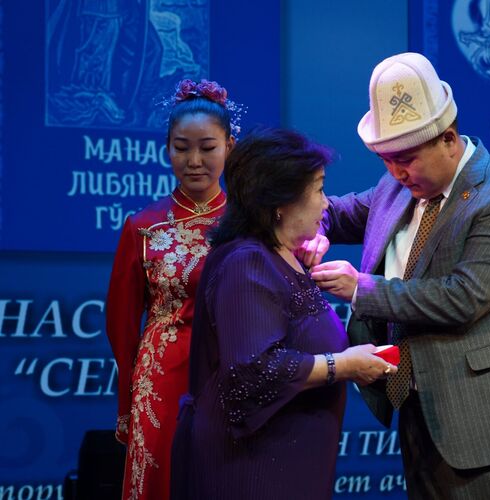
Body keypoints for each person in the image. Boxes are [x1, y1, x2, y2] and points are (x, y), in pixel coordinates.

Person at [310, 52, 490, 498]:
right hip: (421, 412)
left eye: (407, 158)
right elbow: (337, 213)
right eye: (386, 159)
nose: (396, 172)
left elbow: (462, 298)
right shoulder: (396, 187)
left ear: (449, 139)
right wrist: (312, 230)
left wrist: (361, 288)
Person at [169, 128, 395, 500]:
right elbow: (254, 370)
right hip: (250, 468)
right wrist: (344, 365)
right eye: (319, 190)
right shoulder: (246, 263)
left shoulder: (285, 254)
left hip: (289, 459)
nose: (326, 205)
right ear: (281, 203)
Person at [106, 78, 238, 500]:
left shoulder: (248, 224)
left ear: (229, 147)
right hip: (162, 375)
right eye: (182, 148)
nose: (194, 161)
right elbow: (122, 326)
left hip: (233, 369)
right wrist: (127, 402)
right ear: (167, 149)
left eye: (208, 148)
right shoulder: (143, 227)